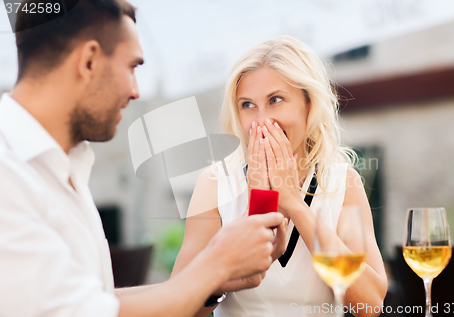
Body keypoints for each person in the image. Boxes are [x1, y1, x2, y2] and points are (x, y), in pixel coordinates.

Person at [0, 1, 288, 316]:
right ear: (89, 61)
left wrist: (218, 276)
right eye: (132, 67)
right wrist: (215, 264)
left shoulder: (62, 167)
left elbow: (95, 302)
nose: (136, 91)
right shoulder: (8, 174)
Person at [172, 36, 388, 317]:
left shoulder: (343, 183)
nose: (261, 121)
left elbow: (369, 305)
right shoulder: (214, 184)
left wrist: (294, 204)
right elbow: (179, 308)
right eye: (247, 105)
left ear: (308, 104)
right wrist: (258, 206)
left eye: (276, 100)